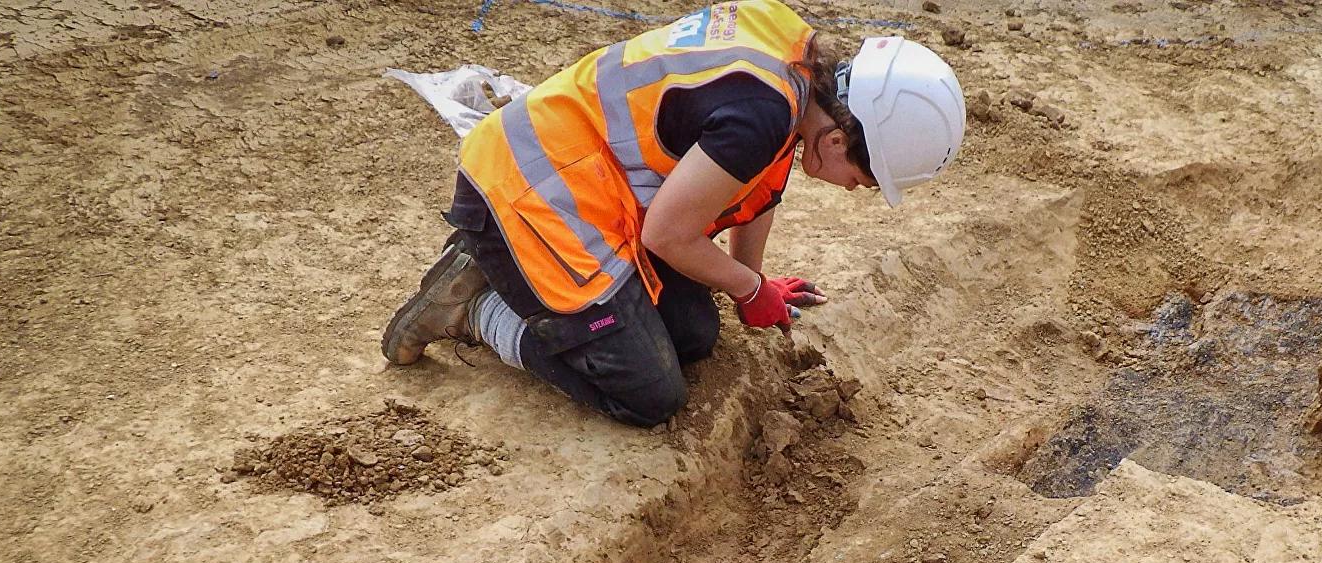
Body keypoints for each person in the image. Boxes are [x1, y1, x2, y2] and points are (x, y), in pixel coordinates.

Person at [381, 0, 966, 427]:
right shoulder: (760, 118)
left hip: (591, 184)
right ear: (839, 141)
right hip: (531, 192)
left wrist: (754, 283)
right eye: (864, 180)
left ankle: (499, 269)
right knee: (648, 394)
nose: (854, 189)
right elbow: (668, 233)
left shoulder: (794, 69)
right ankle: (478, 309)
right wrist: (748, 287)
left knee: (692, 333)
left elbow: (756, 179)